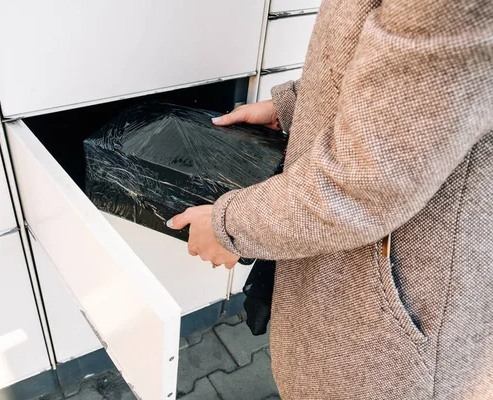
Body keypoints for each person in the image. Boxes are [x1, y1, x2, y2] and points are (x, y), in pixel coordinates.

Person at [166, 0, 493, 398]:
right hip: (358, 285)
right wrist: (295, 108)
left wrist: (229, 226)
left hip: (392, 335)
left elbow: (366, 179)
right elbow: (400, 72)